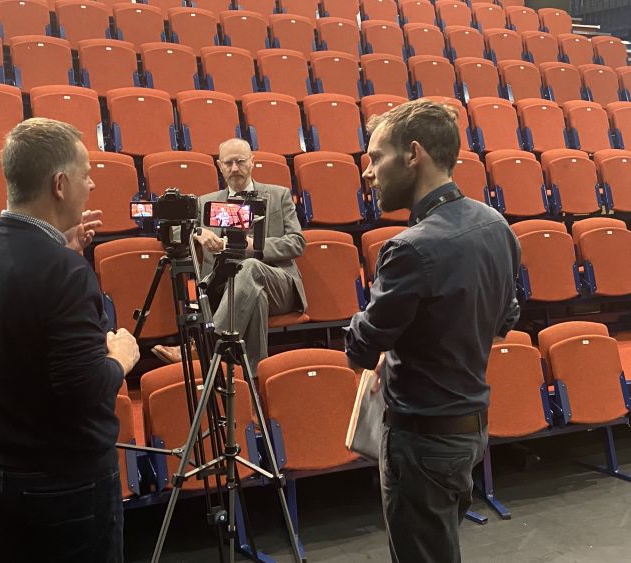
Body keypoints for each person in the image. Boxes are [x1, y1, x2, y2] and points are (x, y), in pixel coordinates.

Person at [0, 118, 140, 562]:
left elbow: (21, 319)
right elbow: (83, 389)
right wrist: (119, 359)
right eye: (86, 173)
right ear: (59, 183)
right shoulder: (64, 273)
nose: (91, 184)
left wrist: (63, 251)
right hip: (64, 488)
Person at [344, 100, 521, 563]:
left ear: (413, 154)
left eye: (376, 156)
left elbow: (361, 346)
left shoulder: (407, 249)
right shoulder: (497, 225)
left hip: (421, 443)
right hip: (470, 432)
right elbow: (506, 317)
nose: (368, 172)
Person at [152, 138, 307, 375]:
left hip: (279, 282)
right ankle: (255, 381)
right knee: (256, 298)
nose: (235, 168)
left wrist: (252, 246)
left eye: (240, 161)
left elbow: (297, 243)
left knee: (251, 267)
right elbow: (173, 235)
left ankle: (203, 345)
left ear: (252, 162)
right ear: (219, 166)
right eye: (229, 163)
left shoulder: (279, 195)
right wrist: (198, 233)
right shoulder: (206, 202)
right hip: (225, 290)